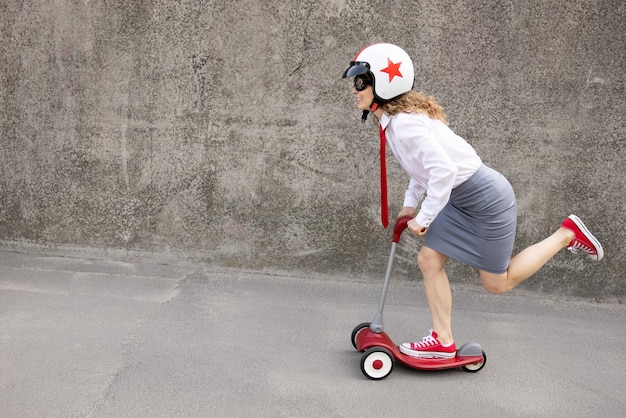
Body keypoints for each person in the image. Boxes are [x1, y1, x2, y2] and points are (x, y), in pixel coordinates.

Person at [342, 43, 604, 359]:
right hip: (458, 197)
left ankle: (567, 235)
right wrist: (410, 204)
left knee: (498, 283)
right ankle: (443, 340)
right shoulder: (395, 120)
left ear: (383, 85)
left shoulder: (406, 123)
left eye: (361, 83)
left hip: (486, 200)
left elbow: (443, 170)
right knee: (428, 260)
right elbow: (421, 170)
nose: (355, 90)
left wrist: (423, 218)